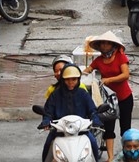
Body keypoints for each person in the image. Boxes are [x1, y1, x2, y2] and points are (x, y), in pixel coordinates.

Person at [84, 32, 133, 161]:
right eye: (102, 43)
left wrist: (109, 79)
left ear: (112, 45)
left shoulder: (120, 57)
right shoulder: (99, 60)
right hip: (108, 100)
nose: (104, 46)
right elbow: (88, 70)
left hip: (124, 97)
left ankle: (127, 154)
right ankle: (110, 157)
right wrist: (79, 73)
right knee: (108, 128)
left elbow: (125, 75)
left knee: (125, 128)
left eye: (107, 43)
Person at [40, 65, 101, 162]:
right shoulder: (55, 95)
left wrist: (95, 119)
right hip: (59, 131)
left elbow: (92, 110)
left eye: (74, 79)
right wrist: (46, 121)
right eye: (67, 79)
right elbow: (48, 111)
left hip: (81, 130)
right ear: (63, 79)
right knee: (47, 146)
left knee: (93, 143)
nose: (71, 82)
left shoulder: (83, 94)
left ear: (78, 79)